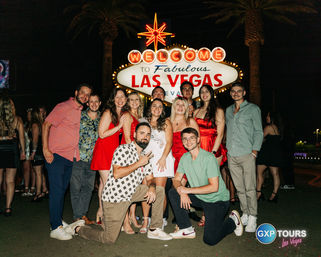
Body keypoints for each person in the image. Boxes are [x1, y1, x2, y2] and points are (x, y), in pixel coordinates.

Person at [70, 122, 172, 243]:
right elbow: (117, 173)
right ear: (134, 134)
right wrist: (139, 163)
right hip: (115, 198)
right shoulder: (123, 149)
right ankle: (78, 229)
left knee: (159, 190)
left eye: (148, 134)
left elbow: (150, 179)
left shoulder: (145, 155)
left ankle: (154, 229)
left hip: (132, 192)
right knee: (109, 239)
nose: (145, 136)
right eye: (142, 133)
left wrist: (152, 187)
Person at [168, 127, 243, 245]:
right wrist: (181, 191)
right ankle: (186, 229)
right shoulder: (184, 158)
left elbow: (214, 187)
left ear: (198, 140)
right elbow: (176, 179)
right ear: (182, 142)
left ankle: (233, 221)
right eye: (185, 139)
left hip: (217, 200)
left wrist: (186, 190)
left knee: (210, 239)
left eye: (192, 138)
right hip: (200, 197)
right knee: (173, 193)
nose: (188, 141)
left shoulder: (209, 158)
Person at [42, 83, 92, 240]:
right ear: (76, 92)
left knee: (61, 191)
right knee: (57, 191)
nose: (85, 96)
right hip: (56, 156)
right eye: (82, 93)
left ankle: (56, 221)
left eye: (88, 95)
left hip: (70, 158)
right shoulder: (63, 106)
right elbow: (46, 124)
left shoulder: (80, 111)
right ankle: (55, 227)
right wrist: (45, 149)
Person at [225, 82, 263, 233]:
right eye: (233, 91)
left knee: (250, 188)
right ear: (231, 94)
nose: (236, 93)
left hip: (247, 153)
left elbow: (259, 131)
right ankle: (245, 213)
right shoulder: (228, 110)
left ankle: (253, 216)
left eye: (239, 91)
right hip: (232, 154)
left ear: (244, 92)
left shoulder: (253, 109)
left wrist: (255, 151)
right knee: (239, 188)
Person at [90, 88, 127, 224]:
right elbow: (102, 133)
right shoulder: (108, 112)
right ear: (113, 99)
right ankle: (108, 217)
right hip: (104, 151)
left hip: (113, 152)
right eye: (117, 97)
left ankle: (101, 212)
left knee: (103, 184)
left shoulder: (122, 113)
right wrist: (119, 126)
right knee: (109, 185)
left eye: (122, 97)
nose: (120, 99)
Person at [194, 84, 228, 226]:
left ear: (212, 93)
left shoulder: (218, 110)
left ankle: (212, 213)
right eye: (202, 92)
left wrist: (212, 153)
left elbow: (220, 133)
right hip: (199, 148)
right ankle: (206, 212)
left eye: (207, 91)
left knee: (213, 182)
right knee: (201, 182)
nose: (204, 94)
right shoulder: (196, 111)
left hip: (213, 148)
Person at [140, 98, 175, 233]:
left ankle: (157, 220)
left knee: (159, 191)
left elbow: (169, 142)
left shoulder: (166, 122)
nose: (157, 108)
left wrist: (163, 158)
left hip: (162, 160)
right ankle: (145, 221)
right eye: (154, 106)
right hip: (146, 160)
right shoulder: (143, 121)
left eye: (160, 106)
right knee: (145, 189)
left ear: (163, 109)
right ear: (150, 108)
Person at [70, 94, 101, 224]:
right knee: (76, 187)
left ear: (100, 103)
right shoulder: (79, 116)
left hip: (94, 159)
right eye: (91, 102)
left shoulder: (103, 118)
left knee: (88, 188)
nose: (93, 104)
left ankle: (82, 215)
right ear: (87, 103)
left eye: (96, 102)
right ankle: (77, 216)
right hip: (78, 156)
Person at [170, 97, 201, 222]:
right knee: (175, 188)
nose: (180, 107)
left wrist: (195, 160)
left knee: (179, 189)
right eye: (178, 104)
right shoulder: (168, 122)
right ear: (173, 107)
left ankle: (181, 221)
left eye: (183, 105)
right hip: (171, 160)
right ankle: (181, 216)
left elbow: (197, 142)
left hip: (185, 159)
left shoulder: (191, 122)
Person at [121, 92, 144, 232]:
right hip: (129, 154)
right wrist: (135, 156)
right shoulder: (127, 115)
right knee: (126, 189)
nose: (134, 102)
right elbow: (128, 138)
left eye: (137, 100)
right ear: (128, 102)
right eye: (132, 100)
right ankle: (125, 222)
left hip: (138, 153)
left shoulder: (139, 117)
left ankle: (133, 216)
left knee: (135, 187)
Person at [0, 94, 25, 216]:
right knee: (10, 181)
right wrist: (23, 152)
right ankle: (8, 208)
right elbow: (21, 138)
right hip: (12, 149)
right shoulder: (17, 119)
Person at [256, 111, 285, 202]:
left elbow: (260, 139)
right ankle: (274, 195)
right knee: (275, 174)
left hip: (266, 154)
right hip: (275, 153)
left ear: (272, 118)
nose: (266, 118)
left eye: (268, 116)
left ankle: (258, 193)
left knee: (259, 173)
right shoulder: (279, 128)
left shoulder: (268, 127)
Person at [31, 107, 48, 202]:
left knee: (37, 172)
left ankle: (38, 193)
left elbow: (35, 140)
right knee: (40, 172)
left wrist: (33, 152)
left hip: (37, 151)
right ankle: (45, 189)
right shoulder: (43, 124)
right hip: (42, 150)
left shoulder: (36, 125)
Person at [21, 108, 35, 197]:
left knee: (33, 169)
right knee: (26, 169)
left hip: (33, 148)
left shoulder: (35, 125)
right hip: (26, 148)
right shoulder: (25, 125)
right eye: (27, 114)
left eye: (30, 114)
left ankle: (33, 187)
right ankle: (26, 187)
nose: (28, 116)